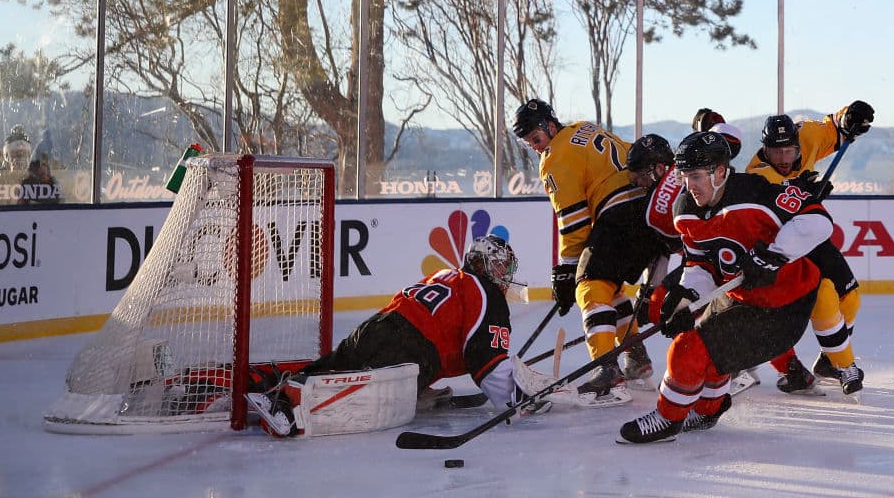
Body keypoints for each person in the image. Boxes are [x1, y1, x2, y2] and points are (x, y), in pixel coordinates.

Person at [618, 131, 834, 443]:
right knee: (702, 342)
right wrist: (686, 296)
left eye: (696, 176)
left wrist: (773, 256)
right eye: (683, 177)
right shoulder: (685, 212)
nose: (690, 186)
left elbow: (819, 222)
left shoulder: (756, 192)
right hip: (741, 297)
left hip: (784, 307)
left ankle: (668, 419)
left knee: (689, 350)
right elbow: (700, 264)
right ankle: (708, 410)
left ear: (720, 172)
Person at [248, 235, 546, 437]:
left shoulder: (446, 275)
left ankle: (266, 383)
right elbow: (486, 359)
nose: (505, 274)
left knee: (333, 365)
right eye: (500, 265)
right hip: (412, 349)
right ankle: (289, 409)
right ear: (481, 263)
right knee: (359, 396)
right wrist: (518, 397)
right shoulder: (485, 291)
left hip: (377, 325)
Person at [513, 99, 669, 406]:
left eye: (536, 138)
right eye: (529, 141)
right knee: (609, 287)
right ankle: (636, 357)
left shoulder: (555, 156)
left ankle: (606, 372)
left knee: (590, 284)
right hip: (651, 208)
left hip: (621, 212)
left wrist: (568, 271)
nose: (534, 147)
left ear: (550, 126)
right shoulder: (585, 127)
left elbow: (573, 220)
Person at [743, 102, 874, 396]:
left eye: (789, 151)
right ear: (765, 149)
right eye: (777, 153)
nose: (784, 158)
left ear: (797, 144)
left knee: (850, 297)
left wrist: (848, 117)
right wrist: (803, 192)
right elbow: (779, 210)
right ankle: (842, 362)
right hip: (784, 244)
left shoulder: (807, 136)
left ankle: (829, 362)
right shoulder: (757, 175)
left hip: (810, 233)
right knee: (824, 296)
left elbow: (834, 128)